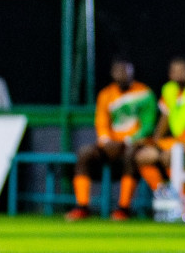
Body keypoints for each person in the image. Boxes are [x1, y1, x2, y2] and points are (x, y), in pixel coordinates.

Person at [65, 57, 155, 221]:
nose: (121, 74)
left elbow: (148, 125)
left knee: (131, 155)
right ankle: (82, 206)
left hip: (133, 144)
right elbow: (101, 122)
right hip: (110, 145)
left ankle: (124, 208)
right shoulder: (106, 94)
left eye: (125, 70)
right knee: (84, 153)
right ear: (112, 73)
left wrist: (127, 141)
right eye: (118, 70)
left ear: (132, 71)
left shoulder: (144, 93)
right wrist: (106, 141)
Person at [135, 56, 185, 192]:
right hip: (178, 143)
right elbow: (164, 120)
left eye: (182, 70)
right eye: (174, 70)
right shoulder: (169, 90)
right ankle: (162, 192)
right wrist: (155, 143)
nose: (177, 73)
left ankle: (180, 196)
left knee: (169, 156)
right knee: (142, 155)